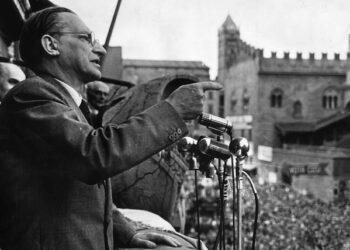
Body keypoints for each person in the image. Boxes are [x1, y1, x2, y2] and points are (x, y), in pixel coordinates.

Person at [0, 6, 222, 250]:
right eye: (86, 39)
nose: (101, 49)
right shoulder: (31, 95)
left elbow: (87, 193)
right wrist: (173, 110)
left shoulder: (65, 103)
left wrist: (128, 234)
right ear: (51, 45)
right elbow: (93, 156)